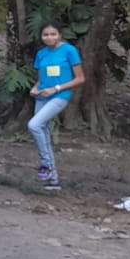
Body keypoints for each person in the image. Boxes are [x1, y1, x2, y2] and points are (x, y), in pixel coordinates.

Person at [26, 23, 83, 191]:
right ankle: (53, 180)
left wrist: (56, 88)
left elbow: (80, 79)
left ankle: (46, 165)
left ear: (60, 35)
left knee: (34, 125)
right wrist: (35, 88)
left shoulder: (69, 50)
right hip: (42, 96)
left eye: (53, 34)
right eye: (45, 34)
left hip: (60, 96)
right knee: (43, 133)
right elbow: (41, 79)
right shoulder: (41, 53)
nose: (49, 37)